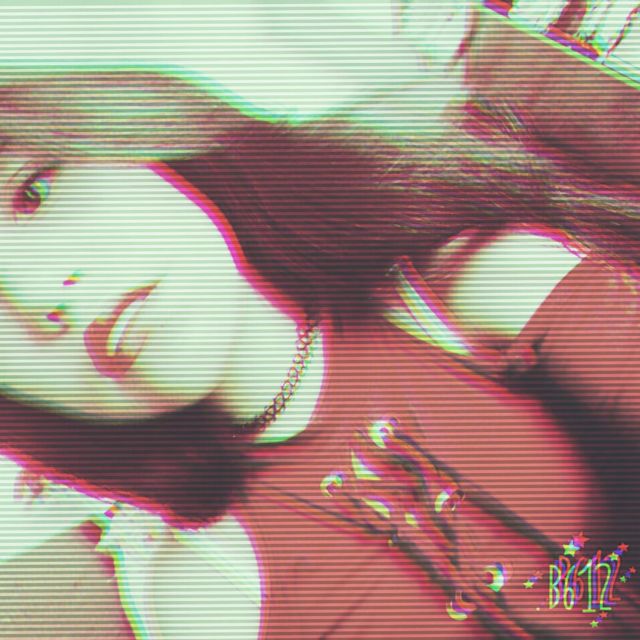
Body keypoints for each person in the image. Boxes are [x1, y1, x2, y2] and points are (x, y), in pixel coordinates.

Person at [0, 68, 639, 640]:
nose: (39, 294)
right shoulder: (208, 597)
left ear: (137, 136)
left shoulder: (488, 284)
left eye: (35, 191)